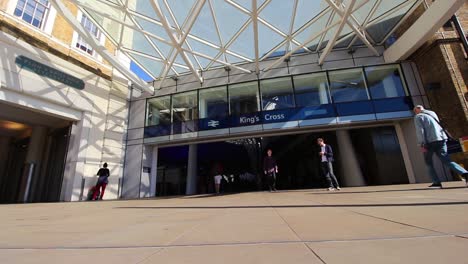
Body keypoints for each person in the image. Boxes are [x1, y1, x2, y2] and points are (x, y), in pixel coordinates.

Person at [413, 105, 468, 188]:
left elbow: (420, 130)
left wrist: (422, 143)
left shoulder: (418, 117)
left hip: (429, 142)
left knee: (428, 163)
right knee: (446, 160)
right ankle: (465, 173)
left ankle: (436, 182)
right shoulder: (432, 113)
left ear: (417, 110)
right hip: (441, 139)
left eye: (415, 111)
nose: (415, 113)